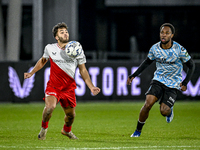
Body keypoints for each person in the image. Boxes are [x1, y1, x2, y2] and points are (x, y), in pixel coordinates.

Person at [24, 22, 100, 140]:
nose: (65, 34)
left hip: (68, 88)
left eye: (66, 32)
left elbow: (83, 70)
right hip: (53, 86)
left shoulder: (76, 48)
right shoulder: (50, 48)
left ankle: (66, 130)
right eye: (62, 32)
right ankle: (43, 130)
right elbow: (43, 60)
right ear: (56, 37)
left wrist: (91, 86)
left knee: (71, 116)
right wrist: (31, 72)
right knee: (50, 108)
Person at [127, 23, 195, 137]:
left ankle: (170, 110)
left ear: (172, 35)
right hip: (158, 80)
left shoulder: (179, 49)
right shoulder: (155, 48)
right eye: (162, 32)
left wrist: (185, 83)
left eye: (167, 33)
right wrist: (134, 75)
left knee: (164, 111)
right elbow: (147, 62)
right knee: (148, 104)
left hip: (173, 83)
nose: (163, 35)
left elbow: (192, 65)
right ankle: (137, 131)